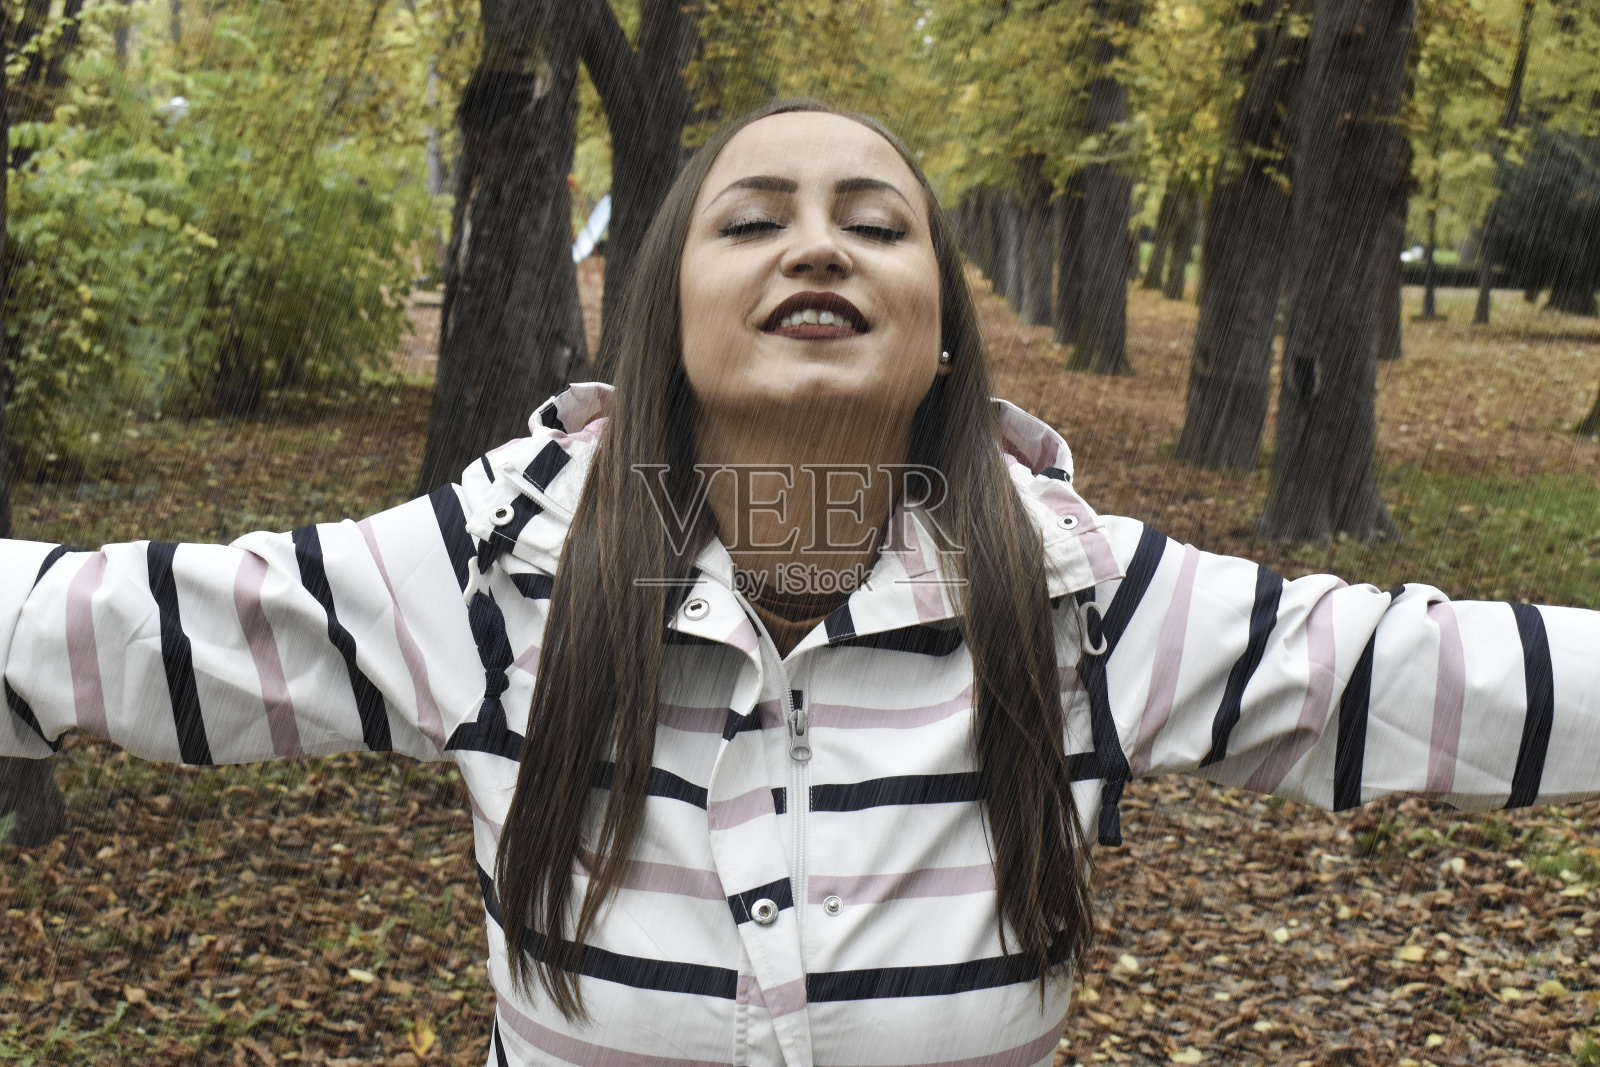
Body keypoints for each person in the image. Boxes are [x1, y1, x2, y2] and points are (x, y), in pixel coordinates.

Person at [2, 99, 1597, 1067]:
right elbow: (103, 632)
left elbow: (1446, 679)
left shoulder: (1080, 606)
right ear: (666, 323)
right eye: (752, 221)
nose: (816, 247)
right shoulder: (497, 577)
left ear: (944, 328)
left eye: (875, 224)